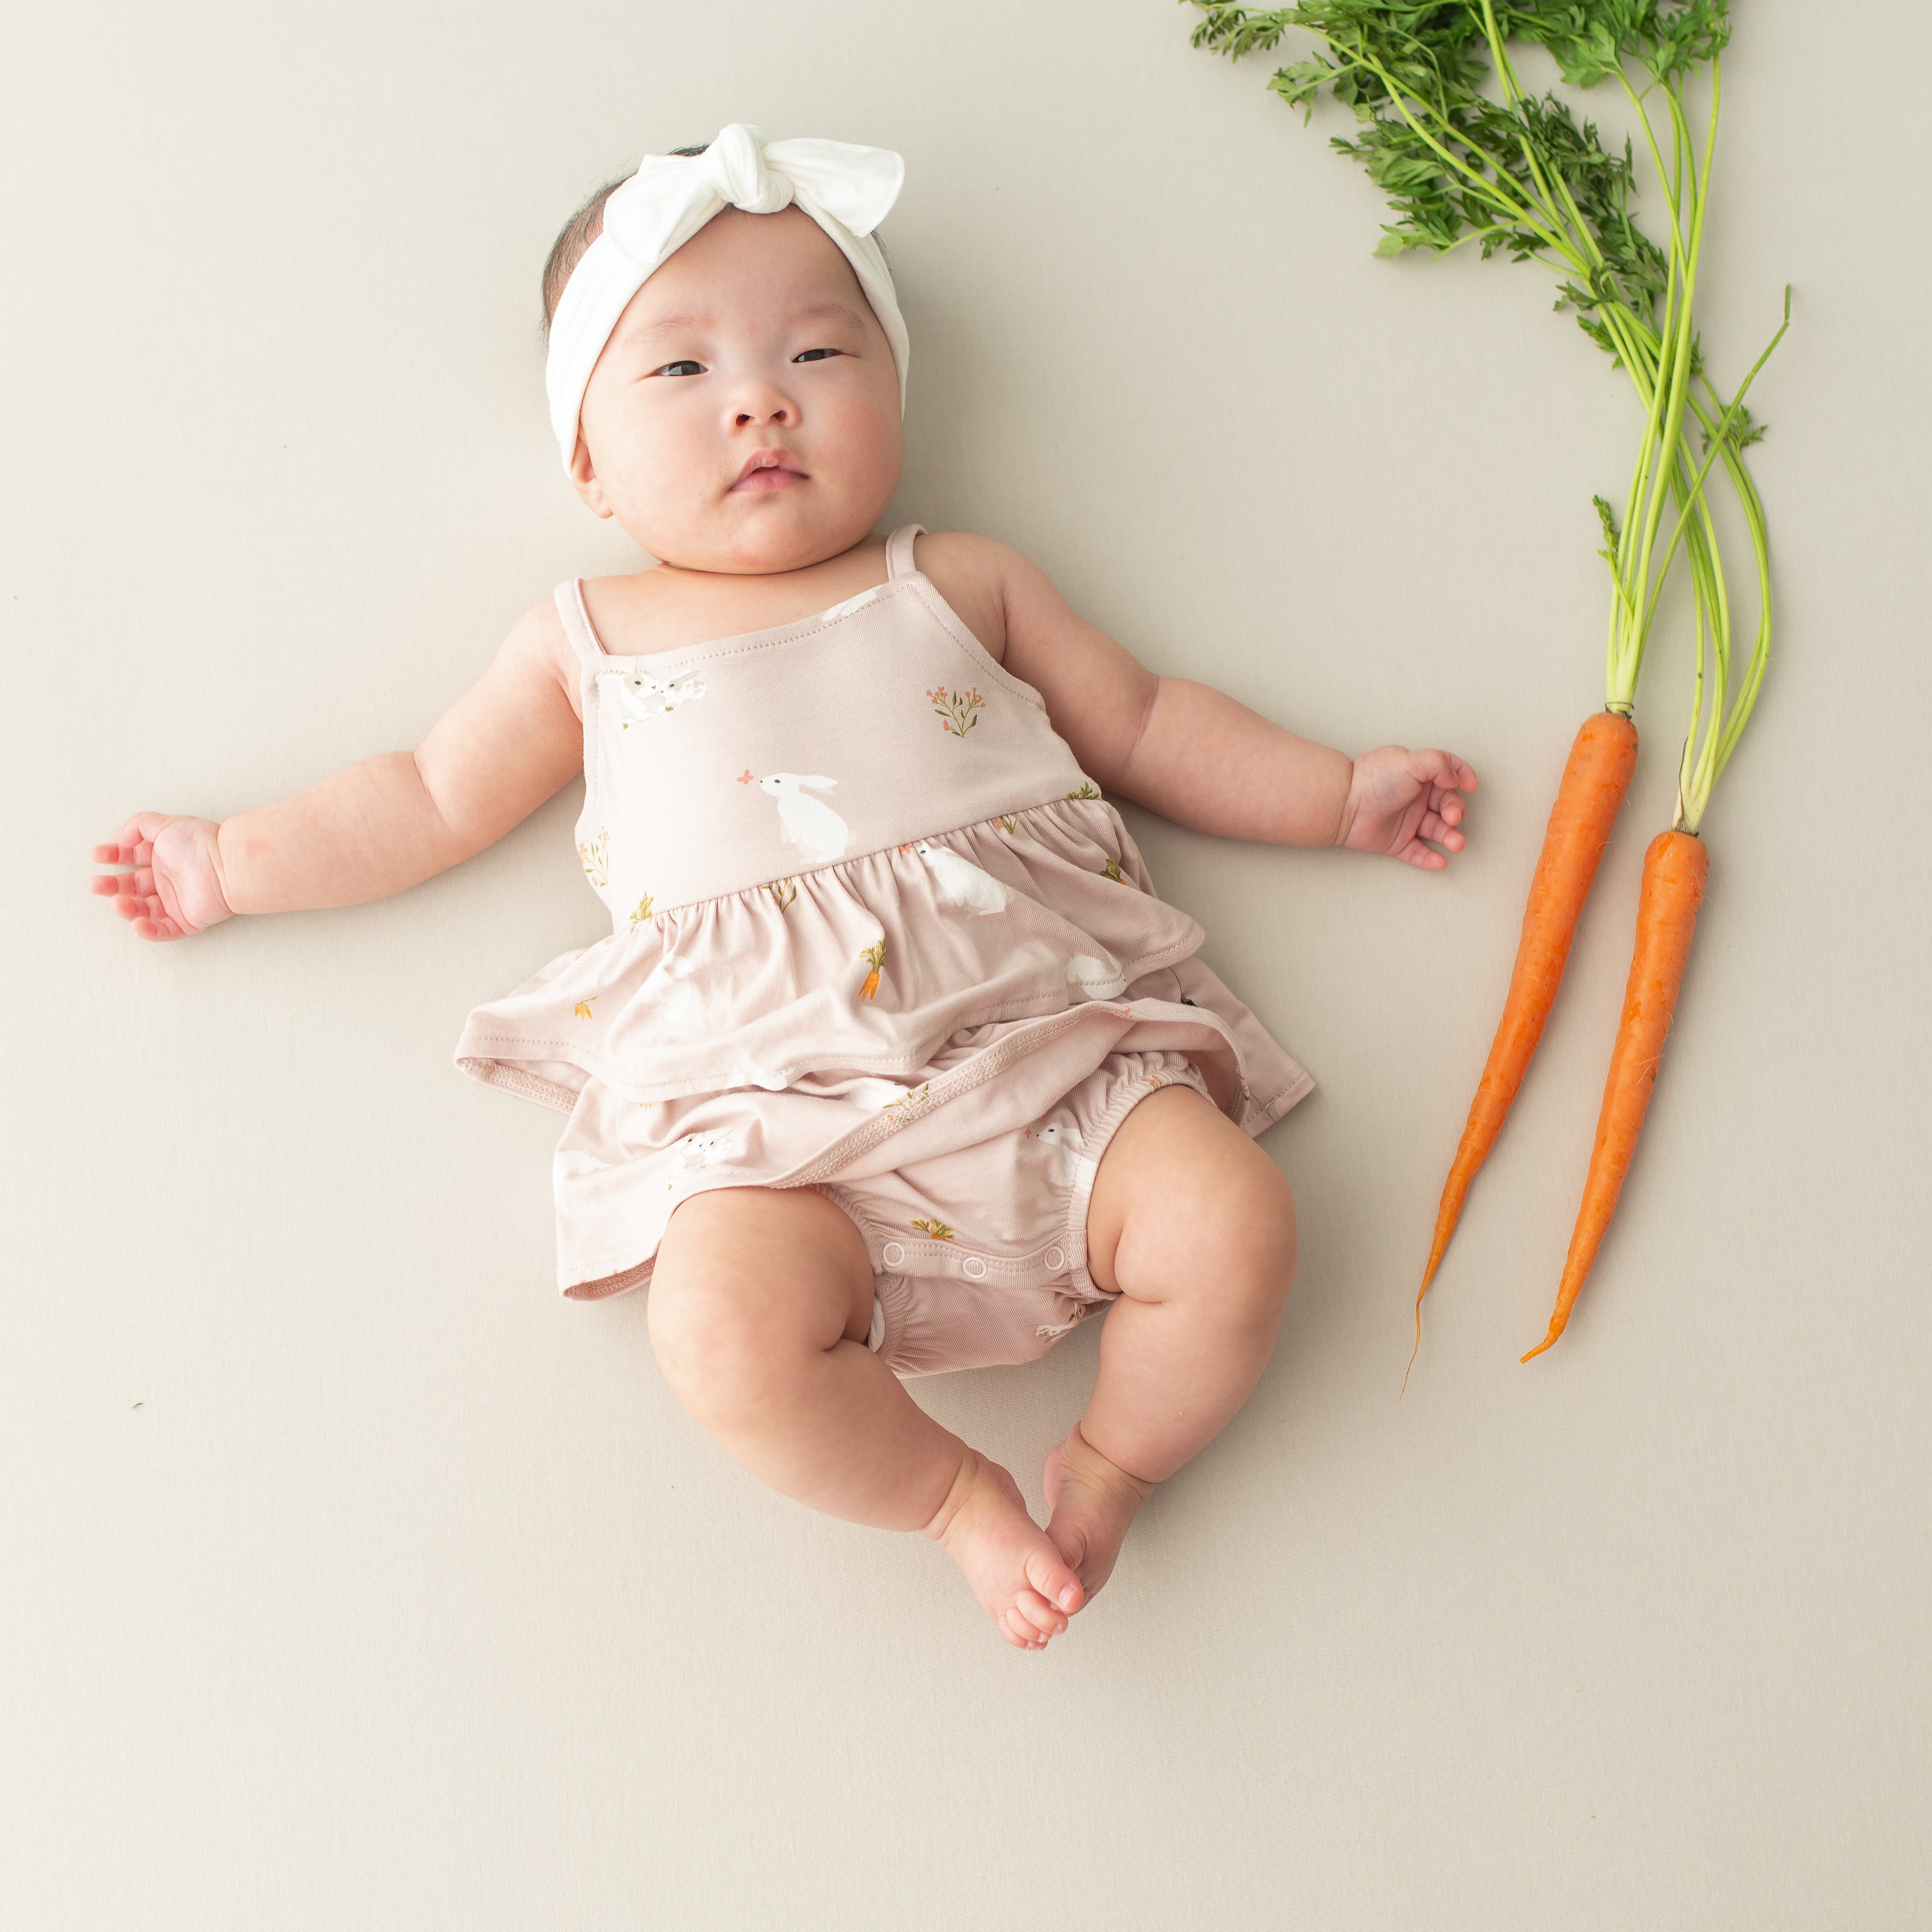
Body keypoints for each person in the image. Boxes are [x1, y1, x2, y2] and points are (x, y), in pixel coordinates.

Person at [89, 126, 1477, 1651]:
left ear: (891, 394)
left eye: (816, 348)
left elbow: (1142, 723)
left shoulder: (953, 581)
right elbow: (424, 795)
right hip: (773, 1125)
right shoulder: (585, 639)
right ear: (586, 459)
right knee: (716, 1329)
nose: (757, 396)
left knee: (1233, 1222)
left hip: (1047, 1061)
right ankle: (952, 1501)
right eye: (679, 372)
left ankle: (1111, 1462)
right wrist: (231, 864)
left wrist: (1333, 796)